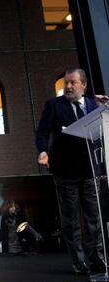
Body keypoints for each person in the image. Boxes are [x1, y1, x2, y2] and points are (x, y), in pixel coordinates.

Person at [36, 68, 108, 275]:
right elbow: (42, 133)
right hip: (64, 171)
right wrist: (43, 152)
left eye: (72, 83)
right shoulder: (53, 105)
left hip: (91, 170)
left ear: (83, 85)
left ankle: (97, 258)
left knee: (93, 218)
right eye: (65, 83)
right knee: (70, 219)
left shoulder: (96, 105)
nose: (67, 86)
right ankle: (79, 261)